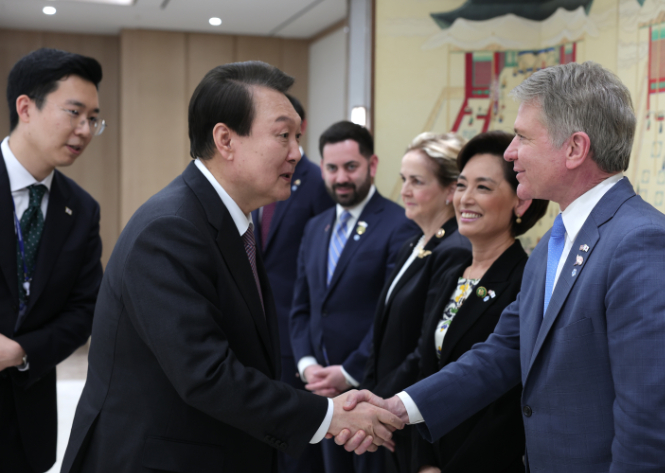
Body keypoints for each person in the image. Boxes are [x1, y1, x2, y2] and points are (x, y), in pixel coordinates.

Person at [343, 61, 665, 472]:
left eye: (522, 137)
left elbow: (653, 430)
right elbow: (502, 352)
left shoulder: (643, 245)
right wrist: (397, 407)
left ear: (574, 148)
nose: (510, 152)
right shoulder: (556, 242)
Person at [60, 61, 403, 473]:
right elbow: (206, 373)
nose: (297, 153)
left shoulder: (230, 220)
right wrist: (328, 415)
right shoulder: (171, 229)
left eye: (298, 137)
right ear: (225, 139)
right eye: (283, 136)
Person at [411, 131, 547, 473]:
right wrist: (425, 461)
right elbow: (426, 370)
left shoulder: (526, 280)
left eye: (483, 187)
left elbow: (509, 401)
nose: (465, 199)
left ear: (521, 202)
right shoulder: (451, 273)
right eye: (461, 185)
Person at [289, 120, 419, 473]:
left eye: (351, 167)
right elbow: (302, 308)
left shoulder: (399, 225)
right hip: (320, 399)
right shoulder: (315, 227)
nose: (341, 178)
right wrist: (308, 367)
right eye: (331, 168)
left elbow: (394, 318)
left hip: (371, 397)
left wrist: (348, 373)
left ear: (372, 165)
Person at [0, 48, 104, 473]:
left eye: (93, 119)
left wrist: (22, 350)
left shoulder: (80, 209)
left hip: (29, 420)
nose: (85, 130)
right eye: (74, 112)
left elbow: (85, 310)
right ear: (26, 107)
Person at [360, 132, 470, 473]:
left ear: (451, 191)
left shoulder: (454, 250)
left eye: (417, 182)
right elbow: (384, 336)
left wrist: (384, 404)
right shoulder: (414, 244)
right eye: (403, 179)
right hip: (390, 413)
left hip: (413, 416)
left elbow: (425, 348)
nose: (404, 190)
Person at [251, 94, 334, 473]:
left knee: (295, 437)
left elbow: (321, 260)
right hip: (254, 319)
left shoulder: (314, 179)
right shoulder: (253, 175)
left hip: (292, 327)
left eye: (293, 133)